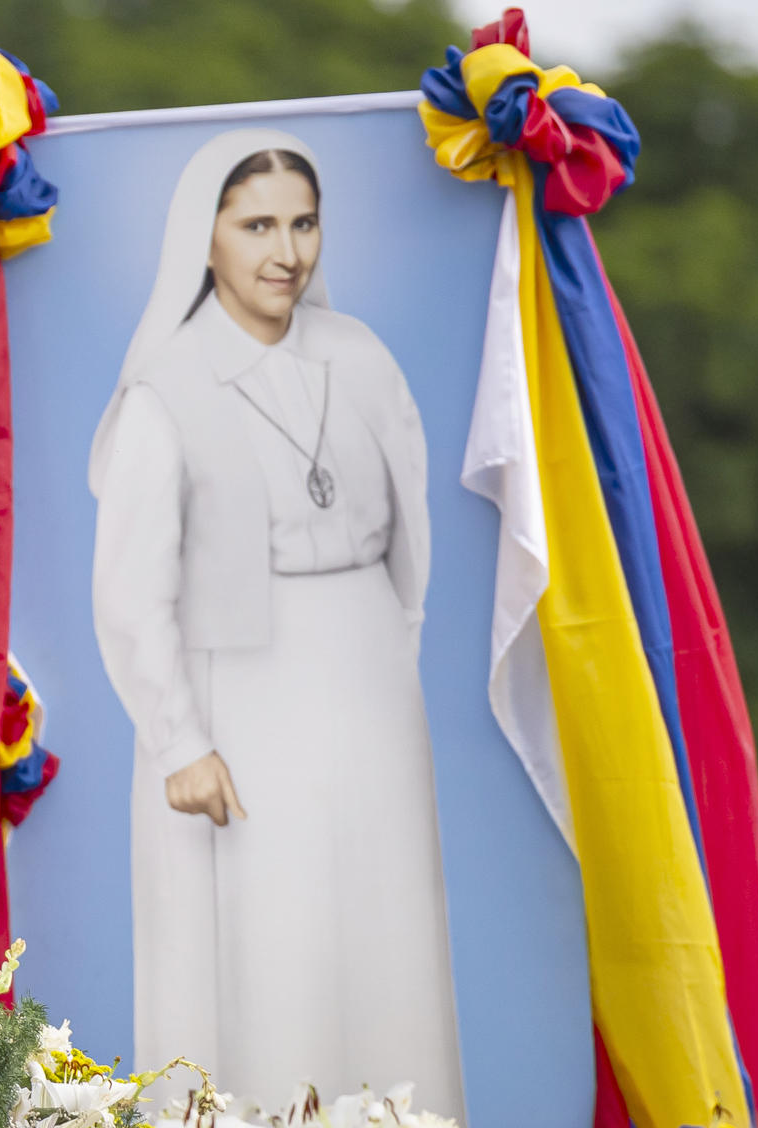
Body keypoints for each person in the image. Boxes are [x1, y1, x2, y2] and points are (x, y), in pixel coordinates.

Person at [88, 129, 464, 1118]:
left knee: (386, 942)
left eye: (303, 223)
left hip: (370, 683)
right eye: (257, 224)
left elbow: (412, 531)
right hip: (237, 698)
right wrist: (181, 738)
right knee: (270, 951)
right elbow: (131, 590)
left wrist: (389, 651)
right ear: (203, 238)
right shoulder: (166, 388)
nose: (285, 251)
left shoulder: (362, 356)